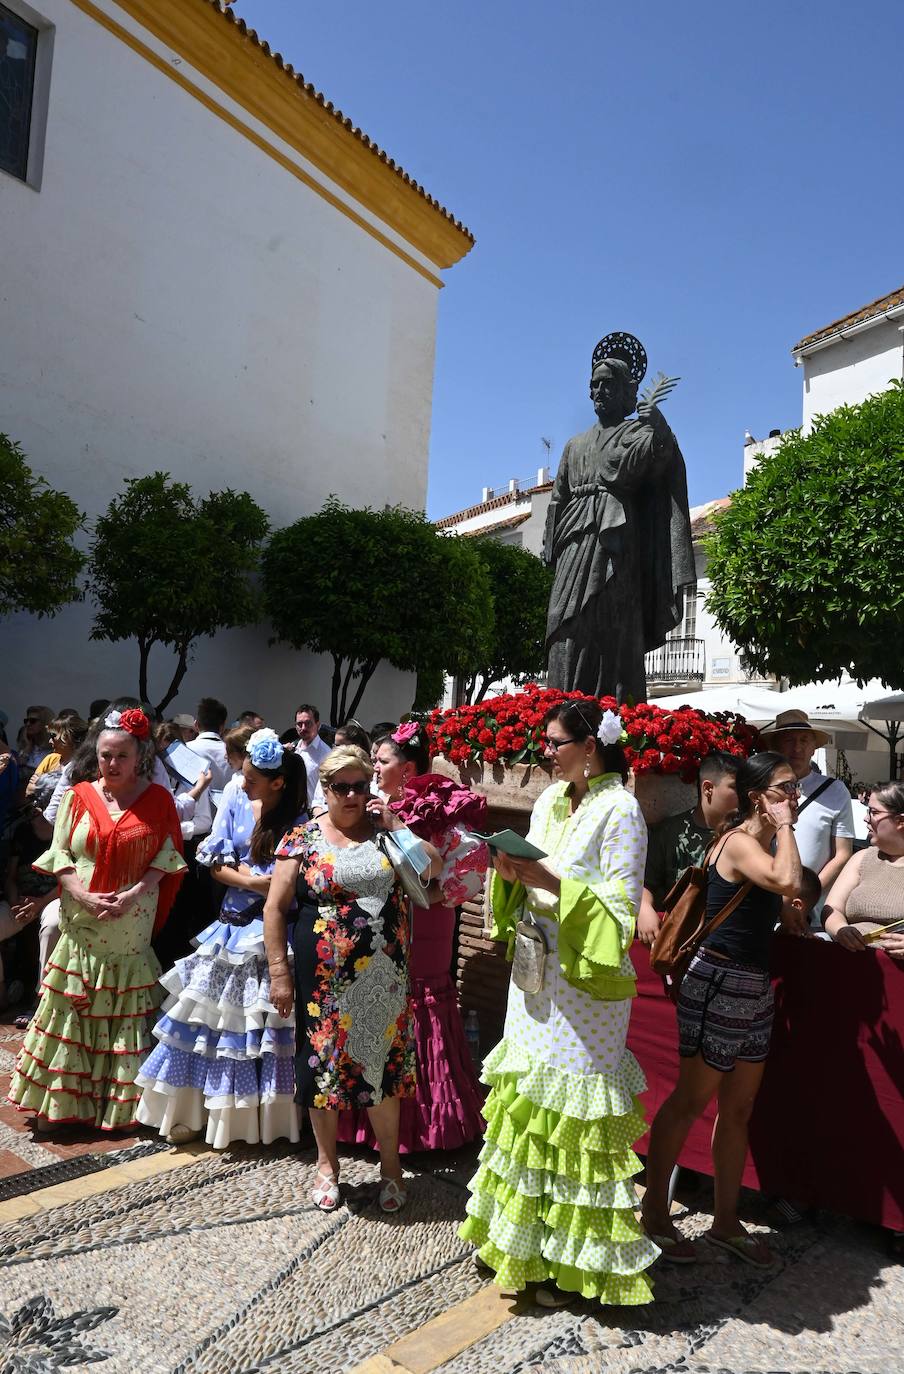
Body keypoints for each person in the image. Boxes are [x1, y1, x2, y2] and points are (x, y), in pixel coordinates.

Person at [459, 700, 659, 1308]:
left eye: (553, 742)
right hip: (533, 972)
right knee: (527, 1104)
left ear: (590, 747)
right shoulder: (548, 801)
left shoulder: (622, 810)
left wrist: (546, 881)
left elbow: (621, 911)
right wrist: (510, 870)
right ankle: (520, 1244)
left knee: (573, 1113)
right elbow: (532, 870)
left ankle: (574, 1261)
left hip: (584, 986)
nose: (542, 751)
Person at [640, 752, 802, 1269]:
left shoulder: (758, 841)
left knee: (738, 1109)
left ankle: (725, 1222)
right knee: (690, 1100)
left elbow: (781, 896)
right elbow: (787, 880)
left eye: (795, 790)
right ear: (759, 797)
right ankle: (655, 1215)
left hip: (752, 984)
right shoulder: (737, 843)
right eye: (784, 789)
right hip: (720, 980)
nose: (793, 798)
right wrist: (787, 831)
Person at [264, 746, 442, 1213]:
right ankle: (327, 1166)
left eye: (359, 786)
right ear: (325, 789)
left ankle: (390, 1169)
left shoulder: (388, 834)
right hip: (320, 978)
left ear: (371, 789)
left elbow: (434, 868)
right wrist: (278, 972)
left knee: (379, 1069)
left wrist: (397, 825)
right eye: (340, 787)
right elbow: (274, 907)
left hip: (381, 977)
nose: (351, 795)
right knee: (321, 1071)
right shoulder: (301, 837)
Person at [7, 707, 186, 1131]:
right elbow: (61, 855)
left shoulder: (158, 800)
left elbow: (167, 855)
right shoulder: (78, 795)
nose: (112, 764)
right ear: (96, 754)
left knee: (122, 1010)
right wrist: (83, 894)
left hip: (131, 919)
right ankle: (58, 1103)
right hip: (81, 915)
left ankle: (119, 1106)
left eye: (121, 755)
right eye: (106, 755)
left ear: (139, 756)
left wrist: (134, 894)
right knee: (73, 1004)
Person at [136, 730, 308, 1147]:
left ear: (278, 783)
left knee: (262, 1027)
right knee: (206, 1020)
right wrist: (257, 883)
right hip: (231, 926)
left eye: (250, 778)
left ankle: (264, 1119)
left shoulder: (301, 822)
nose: (242, 782)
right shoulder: (233, 798)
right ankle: (194, 1112)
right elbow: (214, 865)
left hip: (272, 931)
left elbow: (294, 880)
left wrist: (269, 888)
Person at [337, 722, 487, 1154]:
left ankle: (423, 1127)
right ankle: (369, 1123)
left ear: (408, 768)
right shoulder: (370, 802)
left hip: (425, 920)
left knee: (419, 1005)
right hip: (381, 922)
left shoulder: (439, 803)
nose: (375, 768)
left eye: (382, 761)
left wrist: (424, 891)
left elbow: (456, 865)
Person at [543, 337, 694, 703]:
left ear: (628, 391)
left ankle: (611, 713)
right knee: (565, 626)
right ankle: (560, 711)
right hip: (573, 541)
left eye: (607, 384)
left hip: (616, 545)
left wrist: (659, 428)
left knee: (610, 626)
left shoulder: (635, 433)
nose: (598, 391)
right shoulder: (573, 446)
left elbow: (661, 461)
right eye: (594, 384)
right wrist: (551, 543)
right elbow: (558, 499)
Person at [759, 710, 853, 924]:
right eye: (789, 740)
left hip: (814, 911)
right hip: (764, 902)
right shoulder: (760, 789)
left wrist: (805, 898)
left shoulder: (835, 790)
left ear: (814, 747)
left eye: (804, 740)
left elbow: (842, 854)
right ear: (776, 745)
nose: (797, 748)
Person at [637, 752, 741, 944]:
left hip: (726, 939)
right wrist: (644, 909)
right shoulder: (670, 832)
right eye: (735, 787)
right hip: (676, 939)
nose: (744, 795)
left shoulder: (745, 836)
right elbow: (645, 881)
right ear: (708, 788)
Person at [822, 780, 904, 958]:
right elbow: (832, 908)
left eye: (874, 812)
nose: (866, 818)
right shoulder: (861, 858)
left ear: (900, 821)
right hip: (852, 967)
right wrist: (841, 930)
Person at [0, 803, 55, 1007]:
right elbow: (11, 877)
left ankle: (41, 999)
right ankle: (2, 996)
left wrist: (40, 903)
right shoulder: (24, 831)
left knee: (52, 928)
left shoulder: (68, 830)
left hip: (53, 899)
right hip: (23, 902)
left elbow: (70, 881)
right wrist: (15, 901)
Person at [286, 703, 330, 809]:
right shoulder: (294, 749)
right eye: (299, 724)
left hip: (312, 812)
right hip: (293, 809)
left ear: (317, 725)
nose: (303, 728)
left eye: (308, 723)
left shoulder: (326, 754)